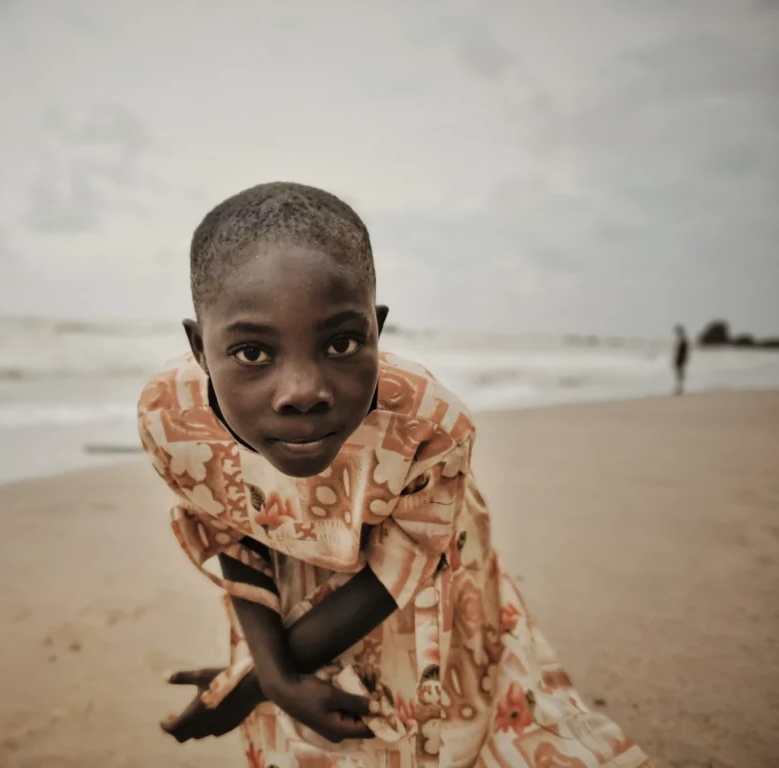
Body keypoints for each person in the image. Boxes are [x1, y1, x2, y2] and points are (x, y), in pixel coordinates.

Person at [137, 182, 652, 767]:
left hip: (412, 574)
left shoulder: (430, 429)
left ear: (377, 330)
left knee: (424, 724)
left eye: (342, 343)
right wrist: (275, 673)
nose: (303, 392)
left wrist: (254, 684)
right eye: (254, 353)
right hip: (289, 577)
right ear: (200, 349)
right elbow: (232, 531)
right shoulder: (172, 420)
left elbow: (396, 571)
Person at [673, 325, 689, 395]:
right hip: (680, 360)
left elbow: (684, 353)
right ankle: (679, 388)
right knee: (679, 375)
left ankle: (680, 389)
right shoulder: (682, 340)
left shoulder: (683, 341)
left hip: (680, 361)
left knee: (680, 375)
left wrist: (682, 360)